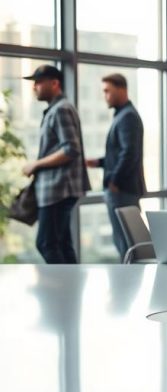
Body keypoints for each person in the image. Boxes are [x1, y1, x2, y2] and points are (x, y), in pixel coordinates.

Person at [21, 65, 90, 264]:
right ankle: (71, 290)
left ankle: (63, 291)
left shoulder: (61, 110)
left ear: (54, 83)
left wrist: (36, 165)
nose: (35, 87)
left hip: (58, 190)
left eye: (39, 82)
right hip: (57, 190)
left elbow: (71, 149)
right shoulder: (56, 110)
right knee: (62, 244)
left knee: (46, 243)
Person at [85, 73, 146, 261]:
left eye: (107, 91)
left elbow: (129, 153)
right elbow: (120, 153)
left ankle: (130, 286)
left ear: (122, 89)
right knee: (124, 242)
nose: (105, 96)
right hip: (122, 188)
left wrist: (114, 180)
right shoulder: (123, 115)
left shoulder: (128, 117)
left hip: (122, 189)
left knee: (127, 244)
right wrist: (99, 162)